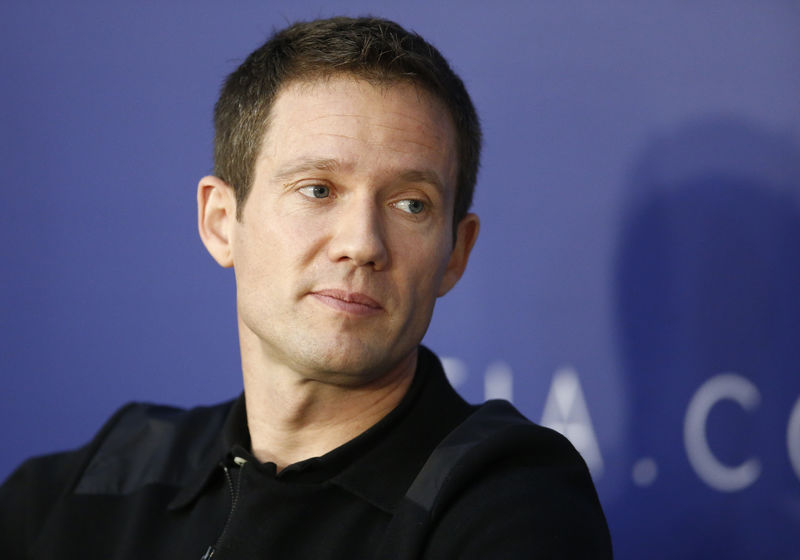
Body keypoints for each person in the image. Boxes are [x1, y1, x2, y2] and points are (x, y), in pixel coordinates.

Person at [0, 16, 612, 559]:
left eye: (410, 204)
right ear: (220, 222)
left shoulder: (507, 499)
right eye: (318, 189)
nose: (364, 243)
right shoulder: (96, 482)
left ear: (456, 253)